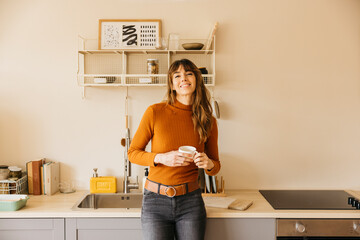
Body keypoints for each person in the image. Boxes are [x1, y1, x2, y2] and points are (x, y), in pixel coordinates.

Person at [128, 58, 220, 240]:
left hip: (191, 202)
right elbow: (133, 153)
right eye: (177, 75)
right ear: (172, 84)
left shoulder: (208, 120)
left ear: (197, 80)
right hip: (155, 201)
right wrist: (161, 158)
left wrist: (208, 163)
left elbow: (215, 166)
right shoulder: (155, 112)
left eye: (189, 74)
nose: (183, 78)